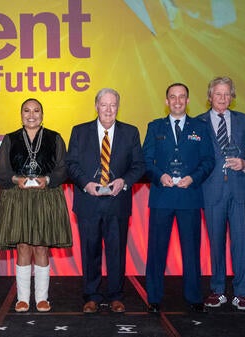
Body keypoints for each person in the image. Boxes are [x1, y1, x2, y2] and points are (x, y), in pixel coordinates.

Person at [66, 88, 145, 314]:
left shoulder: (130, 132)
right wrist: (85, 184)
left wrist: (124, 181)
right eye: (104, 104)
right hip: (88, 201)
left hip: (117, 202)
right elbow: (71, 163)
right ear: (96, 106)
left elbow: (139, 165)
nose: (109, 109)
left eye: (113, 105)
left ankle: (115, 296)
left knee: (116, 252)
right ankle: (91, 296)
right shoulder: (80, 132)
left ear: (118, 107)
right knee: (89, 251)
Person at [0, 98, 72, 313]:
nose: (31, 114)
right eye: (26, 110)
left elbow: (63, 168)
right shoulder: (10, 139)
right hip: (18, 198)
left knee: (41, 246)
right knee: (23, 247)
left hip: (46, 197)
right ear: (21, 115)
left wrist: (47, 179)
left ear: (42, 115)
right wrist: (17, 180)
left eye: (36, 111)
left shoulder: (54, 138)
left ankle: (42, 298)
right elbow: (1, 173)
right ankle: (23, 299)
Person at [142, 83, 214, 313]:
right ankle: (153, 297)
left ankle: (194, 297)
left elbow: (208, 160)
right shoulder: (155, 127)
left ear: (188, 100)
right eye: (173, 97)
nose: (177, 101)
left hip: (189, 197)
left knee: (192, 250)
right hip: (162, 196)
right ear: (166, 101)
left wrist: (193, 178)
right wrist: (159, 175)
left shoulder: (200, 127)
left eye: (182, 97)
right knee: (156, 250)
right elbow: (145, 160)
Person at [196, 77, 245, 311]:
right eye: (218, 94)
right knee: (216, 243)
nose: (222, 98)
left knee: (240, 243)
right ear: (209, 96)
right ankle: (218, 290)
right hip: (211, 191)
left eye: (226, 94)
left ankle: (241, 293)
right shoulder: (199, 123)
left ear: (232, 97)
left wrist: (244, 162)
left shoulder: (244, 120)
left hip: (239, 189)